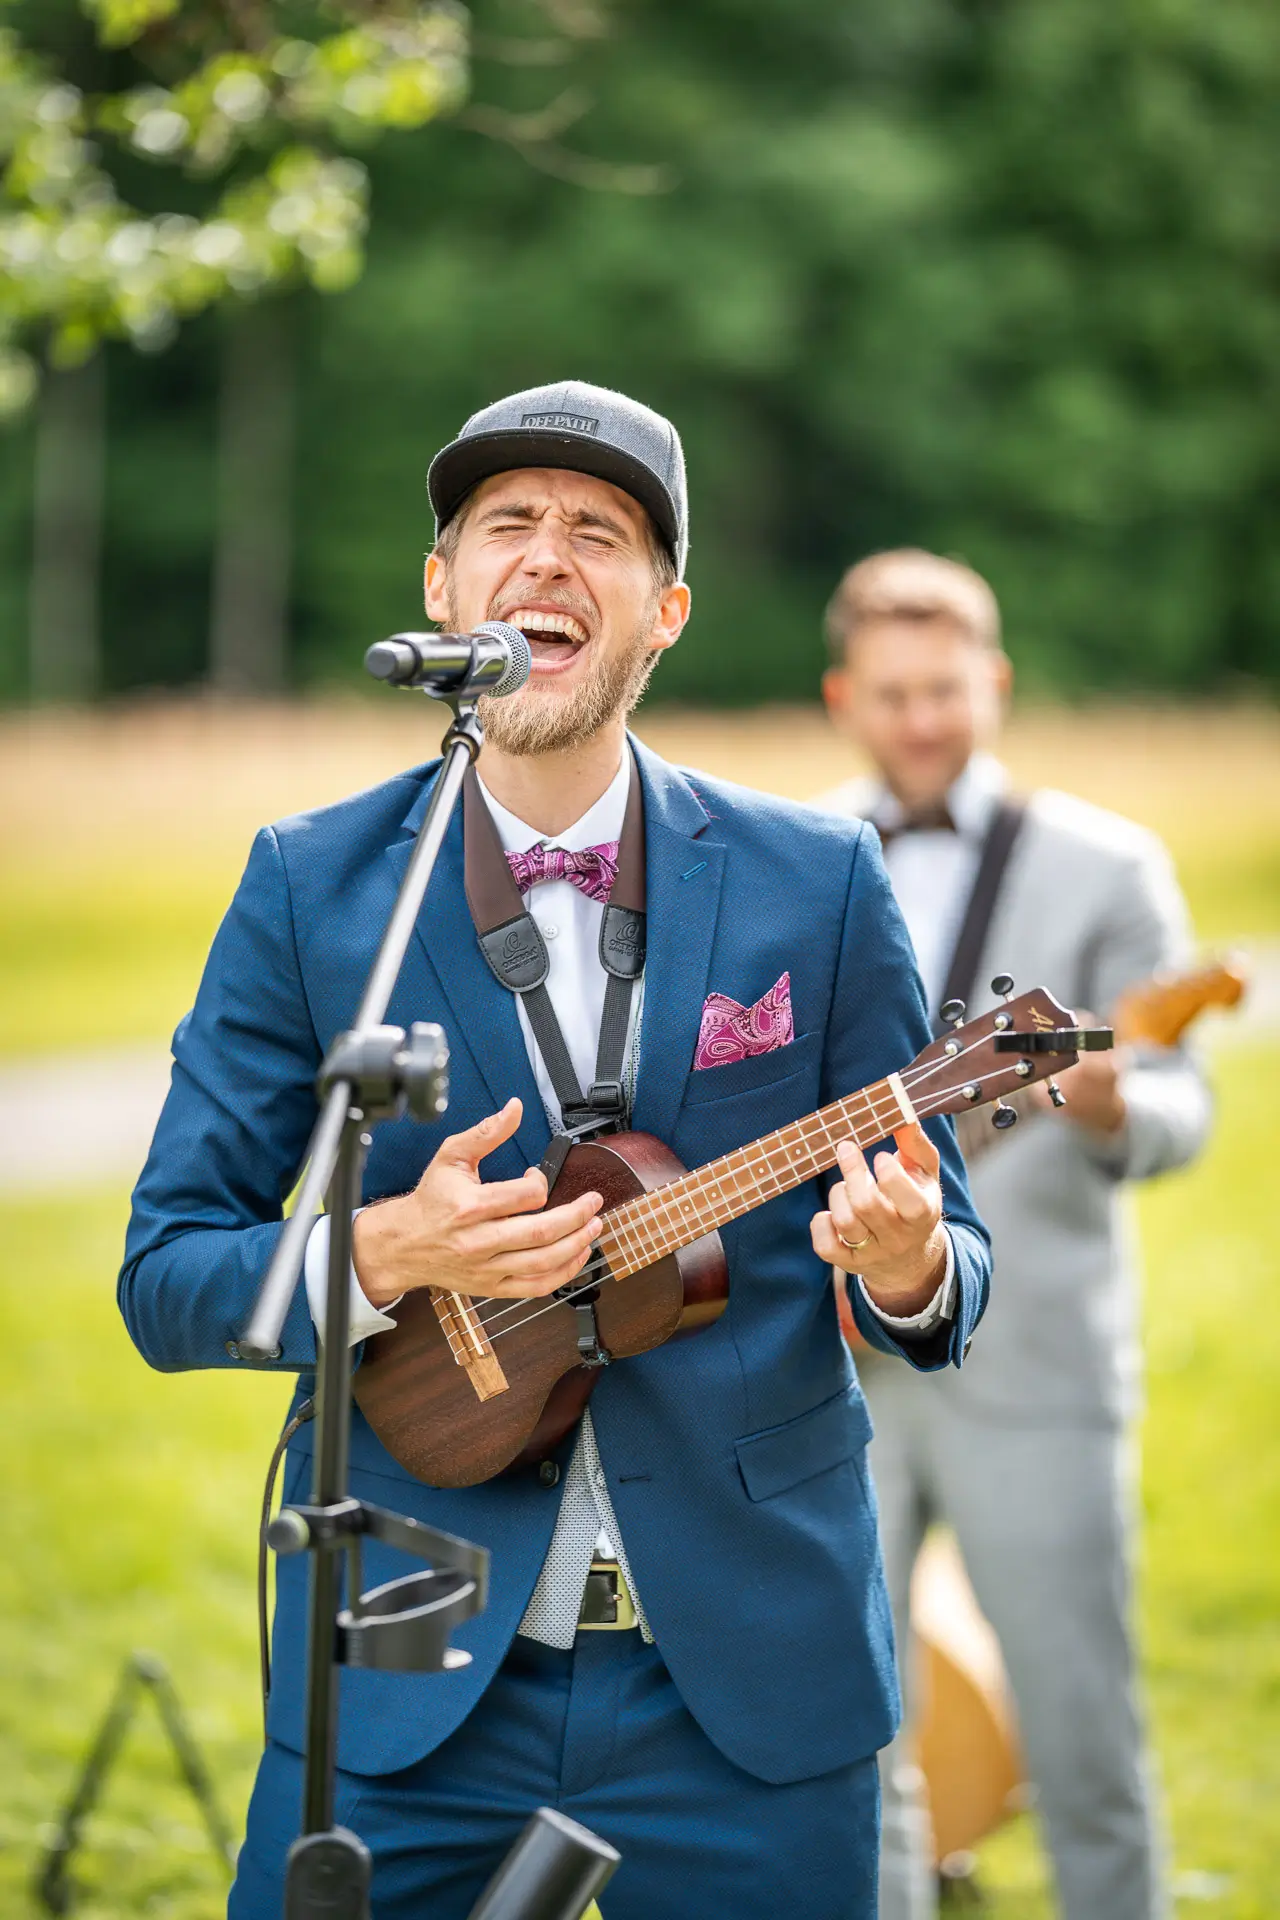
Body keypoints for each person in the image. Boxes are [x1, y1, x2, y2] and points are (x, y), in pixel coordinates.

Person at [119, 386, 992, 1920]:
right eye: (505, 524)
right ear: (443, 593)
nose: (546, 557)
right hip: (403, 1663)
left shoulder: (820, 882)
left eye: (598, 532)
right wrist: (385, 1255)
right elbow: (168, 1274)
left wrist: (912, 1265)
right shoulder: (314, 887)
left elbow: (951, 1263)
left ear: (664, 613)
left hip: (750, 1678)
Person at [817, 549, 1211, 1920]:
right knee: (848, 1746)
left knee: (1083, 1732)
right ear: (843, 698)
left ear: (993, 682)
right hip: (832, 1371)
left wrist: (1106, 1095)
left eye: (946, 689)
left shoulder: (1111, 864)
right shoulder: (793, 853)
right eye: (893, 693)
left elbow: (1183, 1110)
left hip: (1038, 1366)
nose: (922, 719)